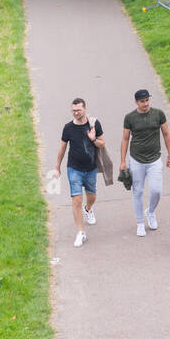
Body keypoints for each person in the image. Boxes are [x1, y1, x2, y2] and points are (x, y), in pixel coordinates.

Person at [53, 98, 107, 248]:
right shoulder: (68, 128)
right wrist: (57, 167)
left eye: (79, 110)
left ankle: (88, 209)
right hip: (74, 168)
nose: (76, 113)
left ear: (85, 109)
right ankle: (80, 232)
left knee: (92, 196)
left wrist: (93, 138)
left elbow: (102, 144)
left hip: (90, 168)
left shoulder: (94, 124)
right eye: (74, 111)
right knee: (76, 199)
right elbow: (62, 148)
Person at [121, 90, 170, 237]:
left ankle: (150, 211)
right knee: (137, 191)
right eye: (142, 101)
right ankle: (139, 223)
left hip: (154, 159)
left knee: (157, 190)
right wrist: (122, 161)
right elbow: (125, 139)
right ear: (136, 102)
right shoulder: (130, 117)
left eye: (147, 100)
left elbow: (166, 134)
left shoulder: (158, 114)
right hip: (136, 159)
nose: (145, 103)